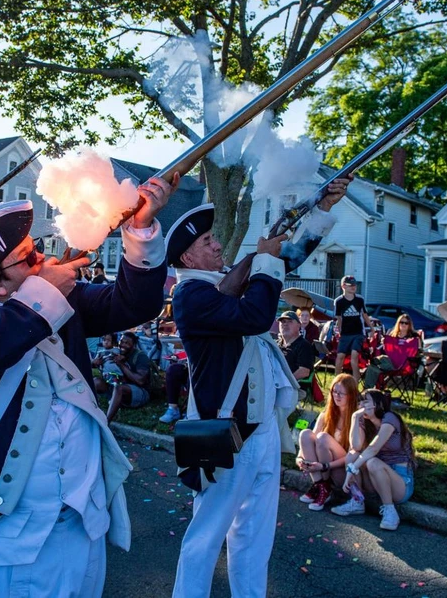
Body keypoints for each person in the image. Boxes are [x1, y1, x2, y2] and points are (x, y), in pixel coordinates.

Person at [0, 174, 175, 597]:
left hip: (82, 519)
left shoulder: (65, 297)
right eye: (26, 258)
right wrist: (43, 294)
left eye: (37, 249)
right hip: (9, 534)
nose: (40, 259)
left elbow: (136, 304)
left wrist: (139, 229)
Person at [168, 177, 349, 598]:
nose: (217, 245)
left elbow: (287, 258)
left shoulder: (226, 281)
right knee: (206, 537)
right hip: (226, 432)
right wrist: (263, 261)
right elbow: (255, 315)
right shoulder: (191, 295)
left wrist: (321, 209)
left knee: (254, 538)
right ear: (187, 255)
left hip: (263, 427)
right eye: (209, 241)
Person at [331, 389, 416, 531]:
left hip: (400, 482)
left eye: (366, 401)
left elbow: (373, 449)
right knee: (352, 455)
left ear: (378, 404)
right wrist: (354, 418)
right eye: (360, 402)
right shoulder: (366, 422)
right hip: (377, 479)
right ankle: (357, 501)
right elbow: (356, 446)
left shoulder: (390, 418)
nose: (361, 405)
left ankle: (390, 512)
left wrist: (351, 471)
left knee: (373, 462)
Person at [296, 374, 359, 511]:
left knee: (323, 438)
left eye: (342, 393)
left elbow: (353, 455)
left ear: (351, 395)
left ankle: (324, 487)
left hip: (342, 469)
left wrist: (324, 466)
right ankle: (321, 486)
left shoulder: (357, 418)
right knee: (305, 434)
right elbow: (309, 440)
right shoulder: (326, 415)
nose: (337, 396)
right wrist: (300, 458)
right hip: (323, 466)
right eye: (334, 392)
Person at [101, 331, 153, 423]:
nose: (122, 345)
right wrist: (96, 363)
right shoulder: (117, 353)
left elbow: (140, 381)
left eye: (127, 343)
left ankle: (105, 422)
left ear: (134, 345)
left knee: (119, 387)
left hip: (141, 392)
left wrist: (121, 365)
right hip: (121, 386)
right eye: (121, 342)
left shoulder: (141, 356)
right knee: (96, 382)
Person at [363, 313, 422, 390]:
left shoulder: (414, 337)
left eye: (406, 323)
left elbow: (418, 350)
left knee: (374, 366)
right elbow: (386, 349)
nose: (403, 324)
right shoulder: (392, 335)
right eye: (401, 322)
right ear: (398, 323)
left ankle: (367, 390)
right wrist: (384, 342)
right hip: (390, 361)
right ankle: (370, 389)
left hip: (404, 365)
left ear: (409, 325)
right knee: (374, 365)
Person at [334, 275, 372, 382]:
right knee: (340, 357)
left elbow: (364, 315)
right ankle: (337, 382)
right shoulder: (339, 301)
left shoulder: (359, 299)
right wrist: (339, 331)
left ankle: (355, 383)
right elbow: (339, 318)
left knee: (354, 357)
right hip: (345, 333)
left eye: (354, 285)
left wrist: (372, 328)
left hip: (358, 332)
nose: (353, 287)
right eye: (350, 285)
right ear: (343, 286)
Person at [277, 310, 318, 398]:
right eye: (283, 322)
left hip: (293, 387)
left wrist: (282, 382)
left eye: (290, 321)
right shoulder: (276, 345)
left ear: (298, 325)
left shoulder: (304, 346)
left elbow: (304, 372)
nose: (285, 324)